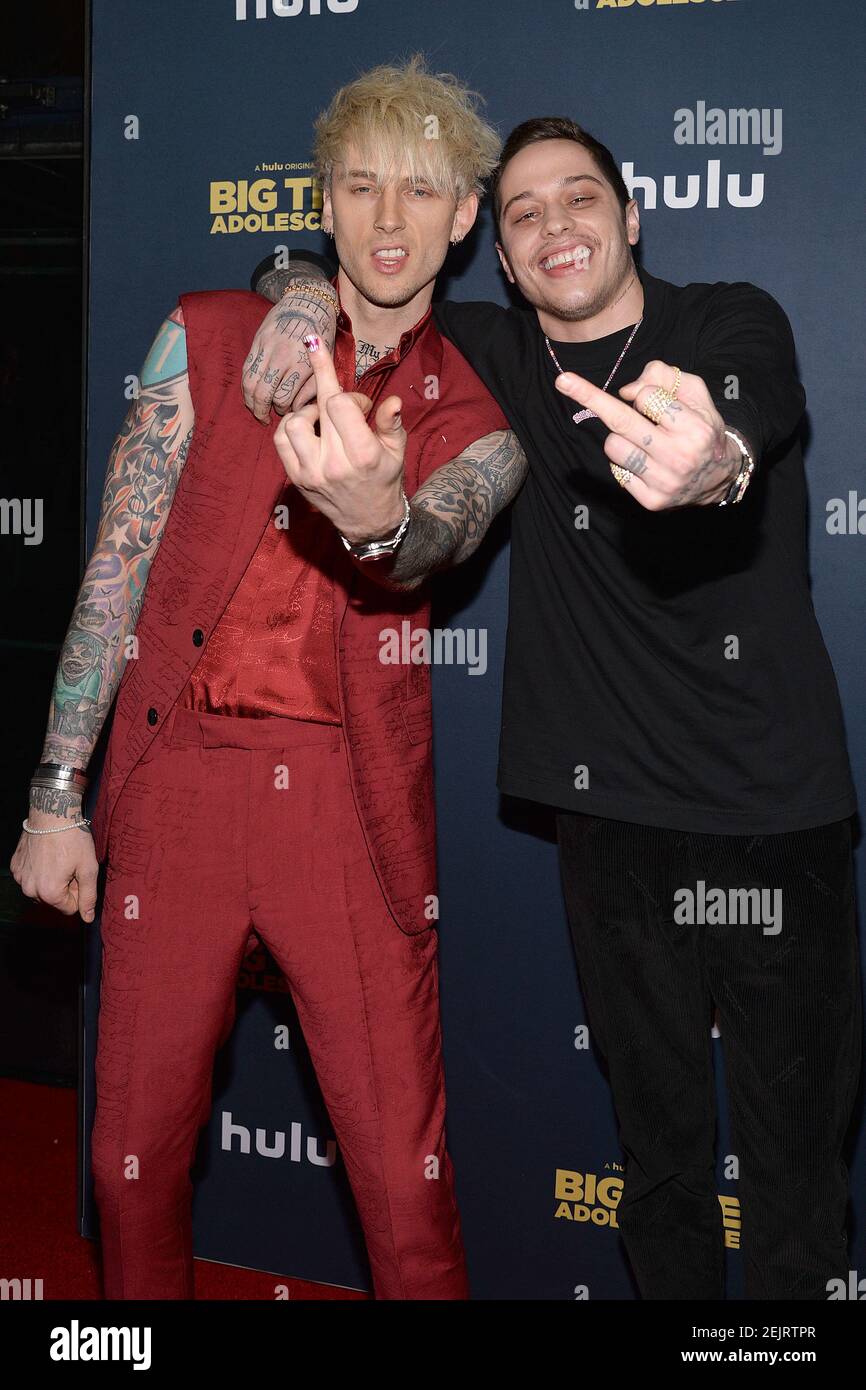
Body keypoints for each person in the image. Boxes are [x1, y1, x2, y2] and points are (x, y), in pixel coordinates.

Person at [244, 114, 861, 1301]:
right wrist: (296, 285)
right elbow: (358, 277)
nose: (550, 226)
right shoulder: (494, 352)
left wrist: (714, 454)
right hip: (611, 829)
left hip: (774, 821)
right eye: (520, 214)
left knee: (791, 1172)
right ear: (505, 259)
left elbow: (750, 400)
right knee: (662, 1159)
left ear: (629, 221)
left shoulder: (724, 321)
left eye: (578, 199)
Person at [10, 58, 527, 1300]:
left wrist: (371, 521)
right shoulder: (207, 333)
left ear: (464, 215)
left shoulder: (479, 419)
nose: (387, 220)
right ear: (324, 201)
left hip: (346, 817)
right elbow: (114, 571)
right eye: (359, 186)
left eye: (420, 191)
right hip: (173, 786)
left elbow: (432, 538)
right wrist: (55, 793)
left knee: (405, 1188)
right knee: (129, 1164)